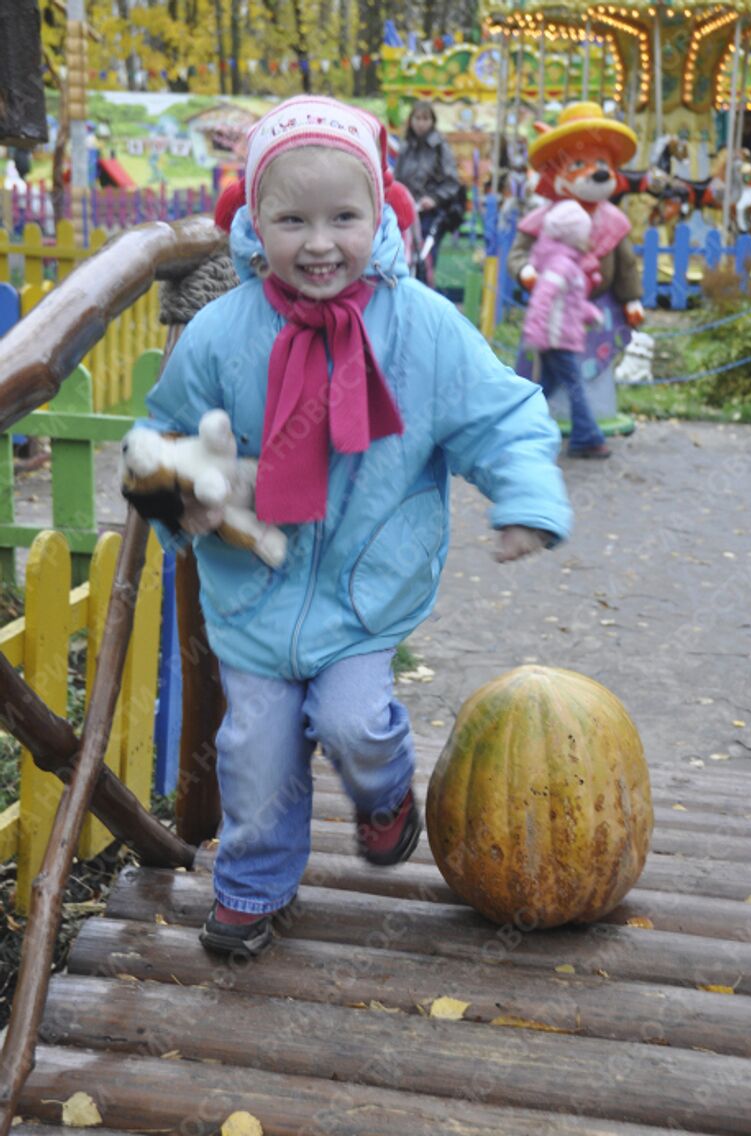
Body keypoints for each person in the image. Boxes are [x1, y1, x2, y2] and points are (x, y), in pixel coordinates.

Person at [138, 95, 572, 958]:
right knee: (254, 754)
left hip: (365, 590)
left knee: (354, 722)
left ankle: (383, 796)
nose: (321, 241)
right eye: (291, 218)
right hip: (253, 595)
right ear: (254, 222)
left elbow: (500, 415)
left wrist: (526, 498)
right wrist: (174, 496)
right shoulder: (225, 333)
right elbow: (166, 437)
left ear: (382, 214)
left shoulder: (422, 327)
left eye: (344, 215)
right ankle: (253, 887)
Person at [521, 199, 609, 459]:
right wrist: (535, 333)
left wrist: (589, 313)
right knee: (574, 386)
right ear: (573, 236)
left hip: (559, 336)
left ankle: (518, 426)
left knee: (544, 387)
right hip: (556, 338)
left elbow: (570, 302)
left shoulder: (567, 262)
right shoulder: (562, 264)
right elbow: (542, 299)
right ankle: (586, 436)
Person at [394, 100, 462, 264]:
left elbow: (452, 181)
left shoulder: (440, 147)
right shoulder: (406, 147)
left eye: (425, 119)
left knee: (425, 258)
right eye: (417, 118)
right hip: (407, 211)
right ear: (411, 121)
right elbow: (398, 179)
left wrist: (434, 199)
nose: (421, 123)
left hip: (431, 214)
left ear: (432, 121)